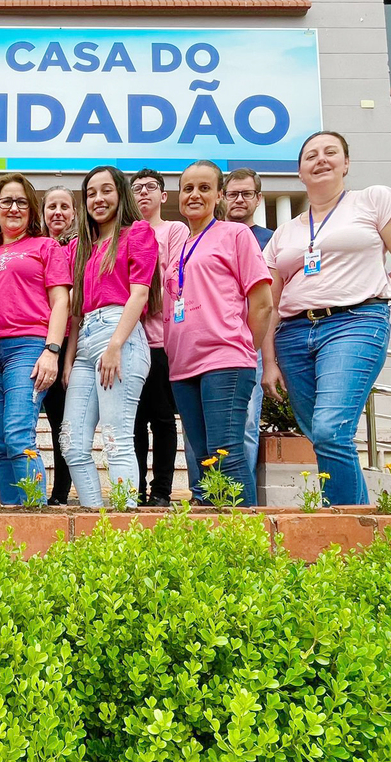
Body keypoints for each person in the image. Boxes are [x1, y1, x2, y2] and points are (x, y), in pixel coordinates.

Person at [263, 131, 391, 505]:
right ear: (299, 172)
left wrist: (371, 292)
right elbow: (270, 304)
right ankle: (356, 524)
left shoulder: (374, 200)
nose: (321, 159)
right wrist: (268, 361)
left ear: (346, 164)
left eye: (331, 152)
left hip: (354, 325)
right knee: (325, 436)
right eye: (311, 155)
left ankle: (345, 530)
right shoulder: (285, 232)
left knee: (329, 430)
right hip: (293, 335)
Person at [164, 160, 273, 508]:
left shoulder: (235, 235)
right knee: (202, 462)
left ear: (220, 195)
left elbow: (262, 304)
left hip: (224, 361)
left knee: (227, 455)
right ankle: (213, 542)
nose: (195, 195)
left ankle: (248, 542)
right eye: (188, 188)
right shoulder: (179, 248)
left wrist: (241, 346)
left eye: (204, 188)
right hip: (183, 368)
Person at [61, 166, 158, 508]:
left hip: (120, 334)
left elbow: (140, 294)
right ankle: (94, 521)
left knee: (116, 438)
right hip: (86, 337)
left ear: (120, 194)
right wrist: (70, 358)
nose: (98, 199)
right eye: (91, 193)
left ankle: (124, 528)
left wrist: (116, 344)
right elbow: (75, 309)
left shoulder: (138, 233)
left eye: (106, 191)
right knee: (71, 443)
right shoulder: (79, 247)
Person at [0, 175, 70, 505]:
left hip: (27, 347)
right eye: (6, 201)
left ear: (32, 211)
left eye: (21, 202)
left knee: (18, 435)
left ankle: (36, 517)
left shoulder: (46, 247)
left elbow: (61, 301)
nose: (13, 208)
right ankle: (10, 524)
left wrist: (52, 351)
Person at [130, 168, 189, 507]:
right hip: (131, 339)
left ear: (163, 196)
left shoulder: (173, 230)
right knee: (135, 421)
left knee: (163, 419)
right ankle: (135, 489)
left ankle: (162, 491)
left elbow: (174, 275)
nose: (143, 193)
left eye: (150, 187)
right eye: (136, 188)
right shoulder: (124, 233)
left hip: (163, 340)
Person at [224, 167, 275, 491]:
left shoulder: (270, 241)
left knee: (245, 425)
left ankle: (244, 504)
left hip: (249, 348)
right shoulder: (209, 236)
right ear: (223, 197)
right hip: (211, 348)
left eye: (246, 194)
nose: (239, 200)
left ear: (258, 198)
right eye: (233, 194)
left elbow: (271, 305)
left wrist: (265, 360)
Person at [41, 186, 78, 505]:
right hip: (33, 340)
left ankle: (61, 492)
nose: (58, 212)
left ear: (74, 213)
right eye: (51, 206)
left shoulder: (82, 247)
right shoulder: (36, 246)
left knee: (61, 422)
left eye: (64, 206)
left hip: (67, 341)